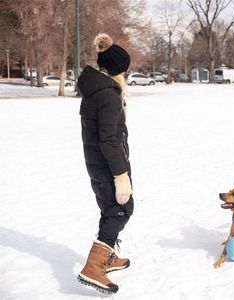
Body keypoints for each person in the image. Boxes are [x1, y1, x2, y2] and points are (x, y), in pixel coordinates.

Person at [76, 33, 134, 294]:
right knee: (121, 209)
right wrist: (121, 175)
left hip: (98, 164)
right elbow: (109, 140)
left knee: (111, 208)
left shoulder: (95, 90)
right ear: (118, 71)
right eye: (126, 71)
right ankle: (94, 266)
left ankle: (106, 256)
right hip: (108, 166)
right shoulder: (108, 95)